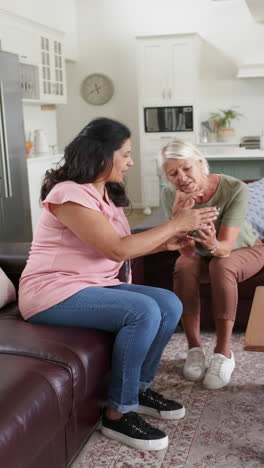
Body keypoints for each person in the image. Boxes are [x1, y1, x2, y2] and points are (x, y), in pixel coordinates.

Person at [19, 118, 218, 451]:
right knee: (142, 311)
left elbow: (121, 243)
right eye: (125, 154)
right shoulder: (68, 194)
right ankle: (117, 414)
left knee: (169, 304)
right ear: (102, 154)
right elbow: (116, 249)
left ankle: (136, 390)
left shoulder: (105, 193)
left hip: (93, 285)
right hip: (52, 292)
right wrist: (173, 224)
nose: (130, 162)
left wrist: (166, 243)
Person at [161, 138, 264, 390]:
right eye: (173, 173)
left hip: (244, 248)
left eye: (186, 168)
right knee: (184, 266)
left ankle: (223, 352)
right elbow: (183, 249)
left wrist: (213, 245)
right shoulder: (169, 195)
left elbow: (226, 246)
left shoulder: (233, 188)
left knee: (221, 263)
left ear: (200, 162)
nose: (182, 177)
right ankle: (194, 348)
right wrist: (177, 219)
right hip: (200, 253)